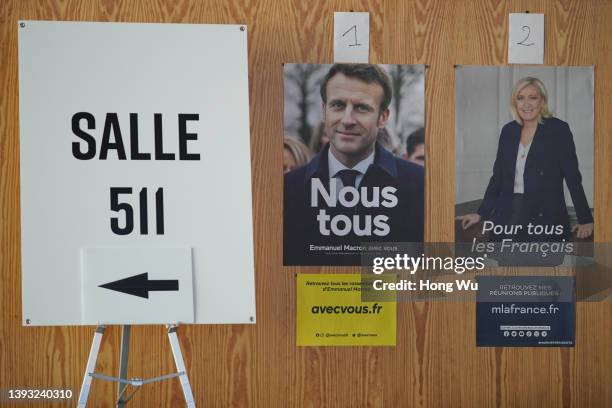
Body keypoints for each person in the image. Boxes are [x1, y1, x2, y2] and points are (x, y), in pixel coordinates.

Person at [284, 64, 424, 266]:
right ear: (324, 111)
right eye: (338, 105)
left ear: (383, 117)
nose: (347, 120)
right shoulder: (288, 190)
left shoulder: (419, 187)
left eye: (361, 107)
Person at [459, 77, 593, 247]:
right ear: (515, 102)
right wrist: (481, 214)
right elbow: (498, 178)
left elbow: (573, 177)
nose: (526, 104)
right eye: (520, 98)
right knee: (507, 269)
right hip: (508, 215)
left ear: (542, 100)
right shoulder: (508, 131)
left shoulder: (558, 130)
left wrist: (585, 218)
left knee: (541, 270)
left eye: (533, 97)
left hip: (545, 217)